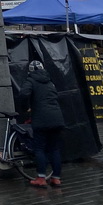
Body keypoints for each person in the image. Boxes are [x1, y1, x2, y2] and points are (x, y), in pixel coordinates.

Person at [17, 59, 65, 188]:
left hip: (41, 119)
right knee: (54, 149)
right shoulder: (50, 82)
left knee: (39, 149)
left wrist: (25, 107)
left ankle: (41, 177)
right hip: (57, 118)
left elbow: (23, 94)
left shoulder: (30, 81)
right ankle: (56, 178)